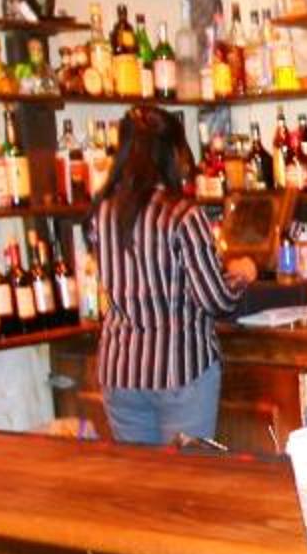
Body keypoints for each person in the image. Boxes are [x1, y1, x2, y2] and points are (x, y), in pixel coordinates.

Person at [90, 102, 255, 447]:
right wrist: (242, 273)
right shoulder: (182, 215)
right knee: (188, 474)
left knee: (140, 476)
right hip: (179, 370)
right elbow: (215, 299)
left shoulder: (102, 213)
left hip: (121, 370)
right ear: (171, 153)